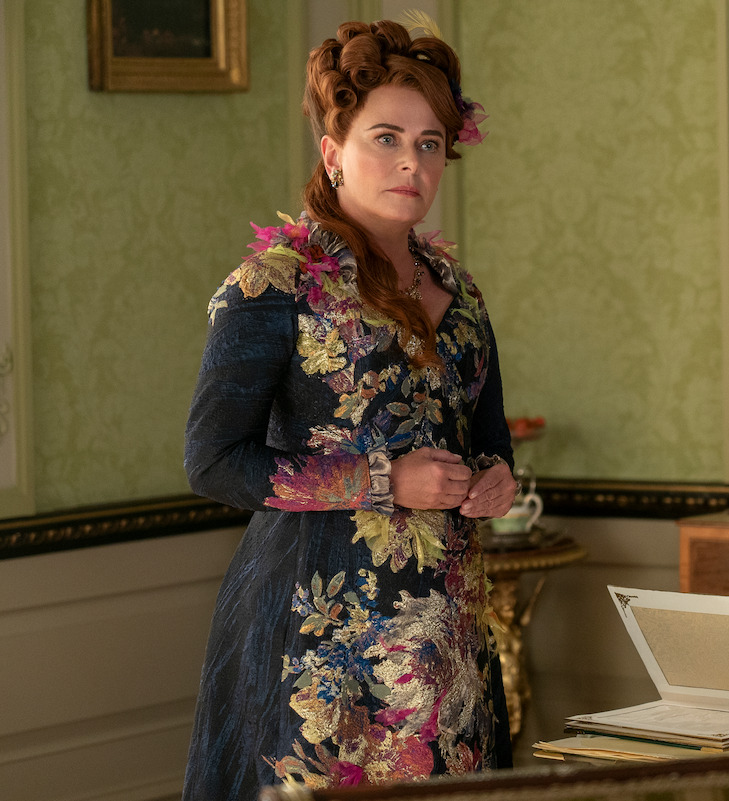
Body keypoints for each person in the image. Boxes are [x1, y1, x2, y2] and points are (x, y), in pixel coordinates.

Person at [181, 17, 517, 799]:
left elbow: (489, 439)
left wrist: (495, 476)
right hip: (316, 652)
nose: (411, 162)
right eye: (386, 138)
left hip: (448, 650)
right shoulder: (273, 285)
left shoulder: (460, 295)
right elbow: (213, 461)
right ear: (333, 154)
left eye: (430, 143)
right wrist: (382, 480)